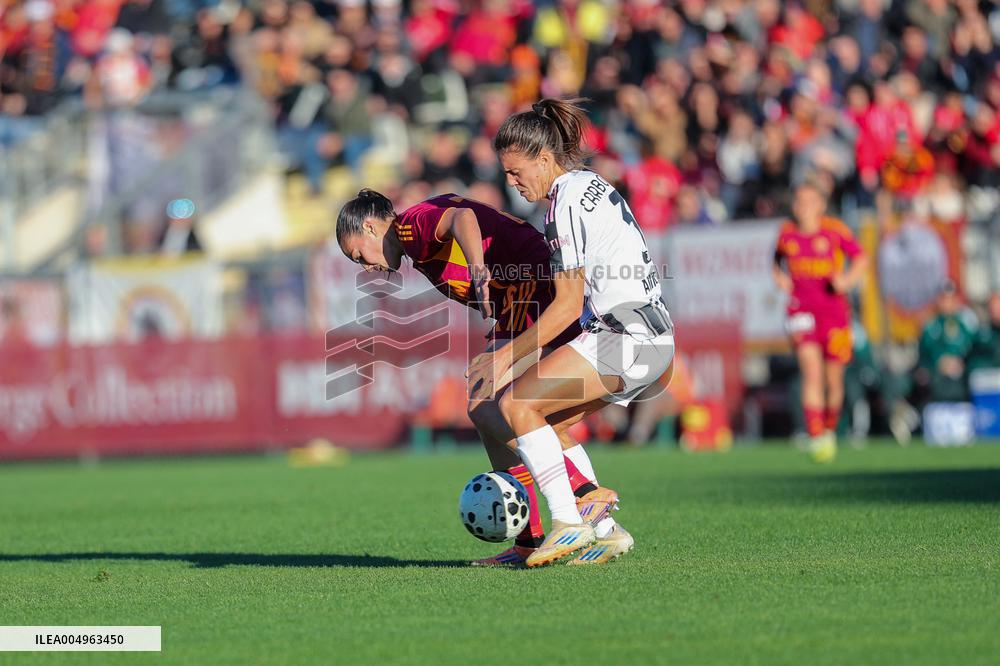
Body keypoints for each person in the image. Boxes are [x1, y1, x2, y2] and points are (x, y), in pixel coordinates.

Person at [335, 188, 623, 567]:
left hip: (529, 286)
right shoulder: (415, 241)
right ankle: (585, 533)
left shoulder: (409, 227)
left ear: (371, 228)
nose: (365, 266)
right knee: (504, 415)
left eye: (359, 255)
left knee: (493, 406)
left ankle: (585, 494)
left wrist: (477, 266)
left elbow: (461, 218)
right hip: (521, 292)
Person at [465, 98, 675, 567]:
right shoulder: (590, 184)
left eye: (517, 172)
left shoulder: (563, 202)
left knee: (516, 403)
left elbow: (565, 306)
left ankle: (567, 525)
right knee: (550, 425)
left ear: (544, 159)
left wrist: (504, 357)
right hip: (651, 341)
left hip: (625, 337)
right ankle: (606, 529)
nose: (512, 183)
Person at [772, 180, 868, 463]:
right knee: (811, 373)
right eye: (799, 202)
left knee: (833, 379)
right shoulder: (787, 234)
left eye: (810, 201)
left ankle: (829, 427)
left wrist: (847, 280)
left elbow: (860, 258)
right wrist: (780, 279)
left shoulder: (835, 231)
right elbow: (775, 261)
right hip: (800, 310)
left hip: (834, 313)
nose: (804, 207)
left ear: (821, 205)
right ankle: (817, 436)